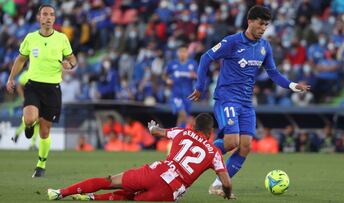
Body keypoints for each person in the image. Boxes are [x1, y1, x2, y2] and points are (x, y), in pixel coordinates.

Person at [188, 5, 310, 196]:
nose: (263, 28)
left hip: (246, 103)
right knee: (231, 142)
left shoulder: (264, 47)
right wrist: (200, 87)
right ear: (250, 21)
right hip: (227, 99)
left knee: (245, 146)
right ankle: (193, 155)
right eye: (261, 24)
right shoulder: (232, 41)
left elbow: (274, 74)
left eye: (266, 25)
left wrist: (293, 85)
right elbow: (205, 58)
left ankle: (218, 185)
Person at [47, 113, 233, 201]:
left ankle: (60, 193)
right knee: (131, 199)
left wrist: (152, 128)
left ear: (193, 126)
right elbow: (226, 182)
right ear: (210, 132)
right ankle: (92, 198)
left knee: (110, 181)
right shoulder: (214, 152)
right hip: (170, 190)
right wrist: (226, 194)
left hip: (156, 171)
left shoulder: (182, 132)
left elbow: (157, 131)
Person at [6, 4, 77, 177]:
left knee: (45, 131)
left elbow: (72, 59)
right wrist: (11, 78)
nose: (48, 18)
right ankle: (29, 126)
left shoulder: (61, 38)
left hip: (53, 89)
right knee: (30, 119)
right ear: (39, 17)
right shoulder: (31, 38)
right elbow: (21, 59)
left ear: (54, 18)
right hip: (34, 86)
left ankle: (41, 165)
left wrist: (70, 64)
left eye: (51, 15)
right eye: (45, 14)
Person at [165, 45, 198, 127]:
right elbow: (165, 75)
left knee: (183, 117)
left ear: (187, 53)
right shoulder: (172, 64)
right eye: (181, 52)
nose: (182, 54)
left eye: (184, 52)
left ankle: (178, 134)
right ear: (177, 53)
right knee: (182, 112)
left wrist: (194, 76)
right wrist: (167, 80)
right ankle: (195, 124)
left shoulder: (193, 64)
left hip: (188, 95)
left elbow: (199, 76)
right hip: (176, 95)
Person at [11, 70, 40, 150]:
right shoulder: (26, 74)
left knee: (37, 122)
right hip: (30, 100)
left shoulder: (38, 73)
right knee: (30, 120)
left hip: (39, 100)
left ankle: (32, 143)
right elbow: (19, 85)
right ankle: (18, 133)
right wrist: (23, 98)